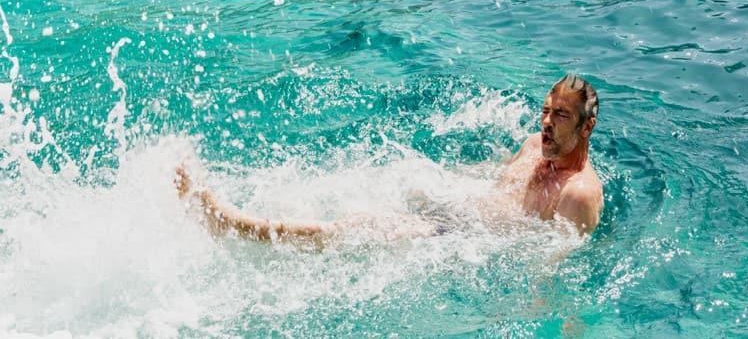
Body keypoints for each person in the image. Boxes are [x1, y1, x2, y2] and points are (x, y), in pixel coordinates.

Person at [175, 75, 605, 243]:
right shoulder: (533, 145)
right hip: (458, 207)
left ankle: (233, 223)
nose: (545, 123)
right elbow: (495, 179)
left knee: (351, 229)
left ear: (586, 127)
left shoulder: (578, 195)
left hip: (458, 238)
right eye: (545, 111)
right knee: (362, 185)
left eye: (560, 116)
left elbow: (553, 262)